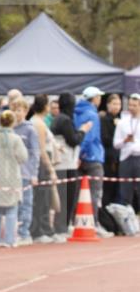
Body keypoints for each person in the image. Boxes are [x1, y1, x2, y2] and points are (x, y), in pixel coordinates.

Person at [0, 110, 28, 247]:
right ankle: (10, 239)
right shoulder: (16, 139)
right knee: (11, 208)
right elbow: (23, 157)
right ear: (13, 122)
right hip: (12, 176)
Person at [74, 86, 112, 237]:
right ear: (94, 98)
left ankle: (75, 222)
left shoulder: (75, 112)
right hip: (92, 157)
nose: (100, 99)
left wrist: (77, 155)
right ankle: (94, 223)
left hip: (78, 157)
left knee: (78, 193)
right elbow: (89, 137)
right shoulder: (92, 114)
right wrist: (82, 153)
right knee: (95, 193)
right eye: (98, 97)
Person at [51, 93, 90, 233]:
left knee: (62, 196)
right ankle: (62, 226)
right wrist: (83, 131)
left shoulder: (57, 119)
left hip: (61, 163)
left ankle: (60, 225)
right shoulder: (65, 120)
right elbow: (73, 140)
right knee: (68, 196)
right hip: (66, 163)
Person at [9, 97, 41, 245]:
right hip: (11, 173)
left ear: (26, 111)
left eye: (20, 110)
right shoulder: (10, 129)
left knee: (25, 204)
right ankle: (14, 231)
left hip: (26, 173)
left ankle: (24, 233)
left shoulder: (29, 130)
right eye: (14, 110)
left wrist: (34, 173)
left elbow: (35, 153)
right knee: (12, 203)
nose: (17, 113)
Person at [28, 94, 58, 242]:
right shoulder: (38, 123)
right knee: (41, 198)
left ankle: (43, 229)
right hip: (40, 164)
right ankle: (39, 231)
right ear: (45, 106)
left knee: (42, 197)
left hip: (39, 162)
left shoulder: (37, 121)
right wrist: (50, 168)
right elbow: (41, 148)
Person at [113, 93, 140, 213]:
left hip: (138, 157)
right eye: (130, 105)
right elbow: (116, 144)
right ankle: (125, 221)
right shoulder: (122, 123)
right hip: (126, 158)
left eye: (135, 105)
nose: (132, 108)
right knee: (125, 191)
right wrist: (125, 140)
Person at [100, 93, 123, 206]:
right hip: (109, 158)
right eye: (114, 104)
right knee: (108, 188)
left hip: (121, 158)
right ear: (108, 105)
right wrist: (117, 130)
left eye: (118, 104)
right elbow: (105, 139)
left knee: (119, 188)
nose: (116, 106)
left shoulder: (121, 119)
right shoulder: (104, 119)